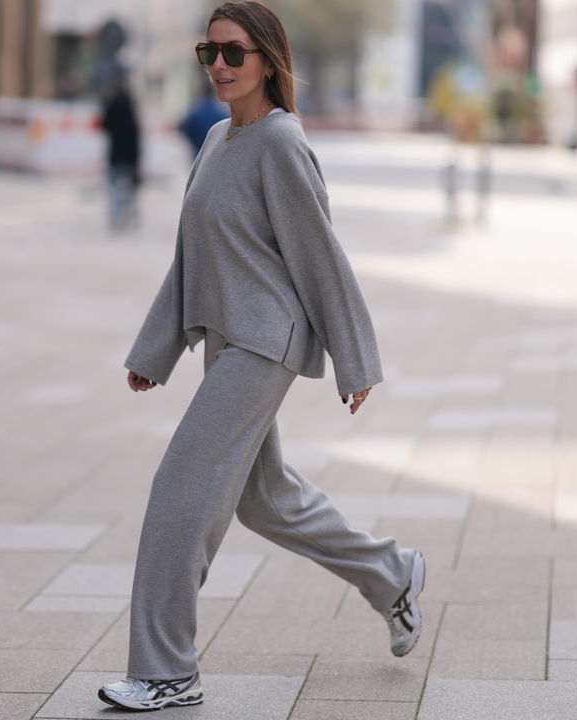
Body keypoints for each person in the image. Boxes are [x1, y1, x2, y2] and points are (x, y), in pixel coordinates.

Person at [97, 1, 425, 712]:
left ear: (269, 62)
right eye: (208, 53)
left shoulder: (280, 143)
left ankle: (166, 670)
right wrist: (157, 350)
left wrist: (355, 361)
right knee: (267, 500)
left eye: (233, 53)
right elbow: (192, 256)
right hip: (225, 342)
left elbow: (321, 255)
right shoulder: (218, 139)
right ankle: (392, 574)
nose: (218, 66)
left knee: (180, 488)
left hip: (262, 343)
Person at [101, 72, 140, 233]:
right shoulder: (130, 107)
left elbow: (105, 125)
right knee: (129, 189)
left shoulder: (112, 106)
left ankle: (115, 217)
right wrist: (137, 156)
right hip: (129, 155)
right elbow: (134, 134)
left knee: (114, 188)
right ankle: (129, 217)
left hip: (115, 153)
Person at [179, 83, 228, 158]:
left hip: (197, 152)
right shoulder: (220, 114)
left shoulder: (195, 113)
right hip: (215, 155)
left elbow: (185, 130)